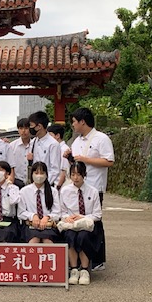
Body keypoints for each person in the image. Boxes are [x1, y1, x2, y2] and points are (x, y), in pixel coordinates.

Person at [67, 107, 114, 270]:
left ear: (82, 122)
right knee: (78, 221)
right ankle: (80, 258)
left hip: (94, 186)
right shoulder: (77, 141)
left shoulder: (101, 138)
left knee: (95, 222)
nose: (72, 125)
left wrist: (85, 159)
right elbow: (76, 164)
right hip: (77, 187)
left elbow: (109, 161)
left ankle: (98, 259)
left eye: (74, 122)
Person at [59, 161, 102, 286]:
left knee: (83, 236)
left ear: (84, 175)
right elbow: (62, 212)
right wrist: (68, 218)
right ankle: (74, 269)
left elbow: (97, 215)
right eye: (73, 174)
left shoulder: (93, 191)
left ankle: (84, 269)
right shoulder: (65, 191)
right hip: (71, 224)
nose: (75, 178)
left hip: (87, 225)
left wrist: (82, 217)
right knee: (70, 236)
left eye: (78, 174)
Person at [18, 162, 61, 243]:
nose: (39, 176)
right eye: (36, 173)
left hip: (48, 225)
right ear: (32, 174)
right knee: (34, 240)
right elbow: (20, 213)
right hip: (30, 225)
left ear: (46, 175)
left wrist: (47, 217)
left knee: (47, 240)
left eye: (42, 173)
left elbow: (57, 212)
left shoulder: (53, 191)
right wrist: (32, 216)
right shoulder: (24, 191)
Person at [27, 111, 62, 188]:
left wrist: (44, 184)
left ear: (39, 126)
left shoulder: (53, 144)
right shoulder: (33, 142)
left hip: (47, 184)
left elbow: (55, 169)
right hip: (34, 184)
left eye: (31, 125)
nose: (30, 128)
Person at [7, 118, 33, 187]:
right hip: (16, 181)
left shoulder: (34, 145)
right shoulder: (12, 146)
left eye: (26, 128)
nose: (23, 131)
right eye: (21, 128)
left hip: (32, 181)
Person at [47, 123, 71, 190]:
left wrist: (58, 186)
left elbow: (64, 170)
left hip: (61, 185)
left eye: (50, 136)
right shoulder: (56, 148)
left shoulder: (64, 149)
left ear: (57, 136)